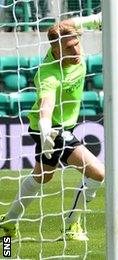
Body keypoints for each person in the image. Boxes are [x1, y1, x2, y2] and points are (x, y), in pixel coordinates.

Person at [1, 17, 105, 241]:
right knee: (97, 172)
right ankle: (71, 225)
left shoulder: (72, 42)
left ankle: (8, 222)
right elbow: (45, 106)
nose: (77, 49)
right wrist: (47, 131)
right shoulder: (49, 74)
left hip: (61, 126)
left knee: (42, 177)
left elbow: (70, 22)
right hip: (51, 129)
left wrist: (96, 20)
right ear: (56, 51)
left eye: (77, 42)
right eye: (70, 47)